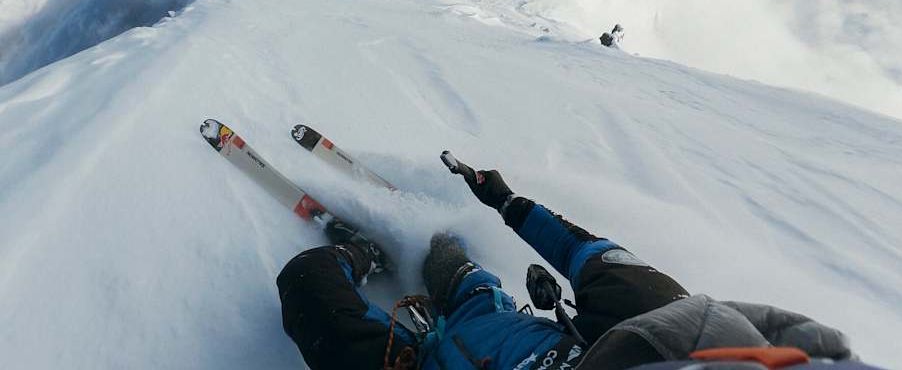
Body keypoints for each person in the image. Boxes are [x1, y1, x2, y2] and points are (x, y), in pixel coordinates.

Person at [276, 155, 862, 370]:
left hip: (420, 351)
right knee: (447, 258)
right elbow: (584, 251)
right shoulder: (655, 315)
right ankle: (390, 251)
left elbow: (585, 252)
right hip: (480, 302)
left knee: (311, 284)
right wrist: (507, 202)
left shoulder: (659, 320)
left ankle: (362, 256)